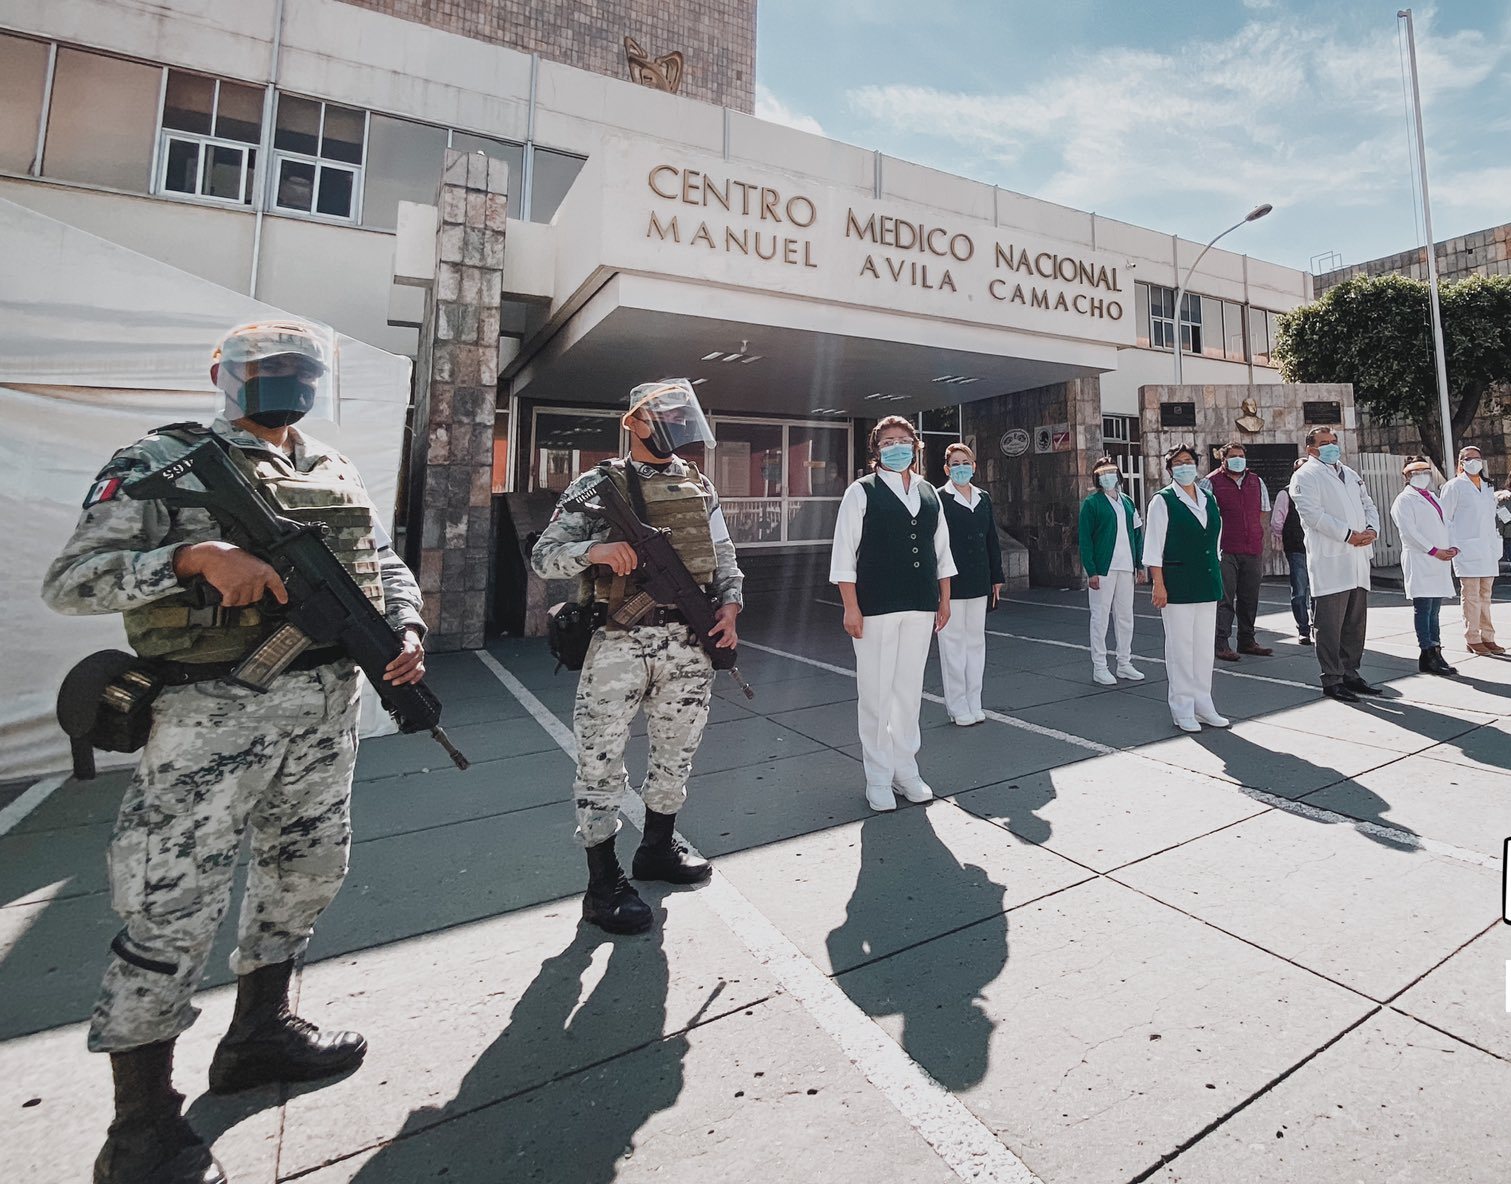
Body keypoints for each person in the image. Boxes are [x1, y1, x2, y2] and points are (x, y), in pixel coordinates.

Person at [41, 320, 429, 1184]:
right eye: (265, 367)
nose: (285, 380)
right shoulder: (158, 461)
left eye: (299, 368)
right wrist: (190, 557)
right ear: (221, 374)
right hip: (209, 716)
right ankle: (139, 1127)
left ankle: (259, 1033)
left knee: (308, 872)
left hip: (325, 711)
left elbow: (380, 559)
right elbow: (72, 580)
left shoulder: (329, 465)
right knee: (173, 905)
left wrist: (404, 623)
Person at [530, 379, 744, 935]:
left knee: (676, 754)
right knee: (600, 761)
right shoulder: (595, 485)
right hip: (619, 643)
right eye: (663, 413)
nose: (675, 423)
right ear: (635, 422)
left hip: (690, 643)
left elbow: (723, 556)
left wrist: (730, 607)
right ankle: (603, 884)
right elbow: (544, 557)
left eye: (681, 412)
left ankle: (656, 849)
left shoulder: (698, 485)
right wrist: (595, 551)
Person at [831, 415, 955, 810]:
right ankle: (878, 777)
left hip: (920, 603)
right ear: (876, 450)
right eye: (888, 441)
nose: (897, 445)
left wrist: (944, 598)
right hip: (876, 605)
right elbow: (844, 553)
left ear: (917, 445)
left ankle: (907, 770)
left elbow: (942, 551)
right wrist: (851, 607)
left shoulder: (929, 493)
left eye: (903, 439)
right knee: (876, 692)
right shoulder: (861, 491)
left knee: (908, 692)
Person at [1289, 426, 1381, 701]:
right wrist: (1348, 535)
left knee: (1355, 623)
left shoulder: (1350, 474)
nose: (1331, 446)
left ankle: (1351, 673)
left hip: (1358, 558)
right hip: (1332, 559)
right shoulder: (1305, 475)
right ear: (1311, 449)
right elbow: (1313, 515)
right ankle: (1332, 678)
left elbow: (1369, 505)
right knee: (1330, 625)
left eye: (1334, 441)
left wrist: (1371, 530)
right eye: (1324, 443)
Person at [1143, 444, 1227, 732]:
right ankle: (1182, 708)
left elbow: (1215, 540)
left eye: (1188, 461)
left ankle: (1204, 703)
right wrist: (1158, 583)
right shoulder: (1163, 501)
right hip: (1177, 584)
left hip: (1206, 581)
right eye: (1178, 463)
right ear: (1170, 470)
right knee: (1181, 649)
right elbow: (1153, 546)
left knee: (1204, 648)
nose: (1184, 466)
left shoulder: (1208, 498)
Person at [936, 443, 1003, 724]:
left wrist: (996, 578)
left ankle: (975, 700)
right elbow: (936, 545)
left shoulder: (983, 498)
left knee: (976, 643)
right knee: (952, 645)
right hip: (951, 584)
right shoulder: (939, 498)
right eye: (955, 463)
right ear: (946, 468)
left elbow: (992, 539)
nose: (961, 467)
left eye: (966, 462)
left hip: (979, 581)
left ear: (974, 466)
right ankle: (957, 706)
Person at [1077, 456, 1146, 685]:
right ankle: (1100, 666)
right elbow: (1085, 540)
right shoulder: (1092, 504)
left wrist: (1139, 564)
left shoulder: (1127, 501)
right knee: (1100, 618)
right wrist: (1092, 570)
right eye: (1102, 473)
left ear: (1118, 475)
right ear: (1097, 477)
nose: (1108, 476)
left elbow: (1136, 533)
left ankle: (1124, 663)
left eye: (1111, 471)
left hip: (1126, 568)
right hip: (1104, 569)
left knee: (1126, 617)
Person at [1389, 456, 1459, 676]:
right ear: (1407, 476)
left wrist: (1452, 546)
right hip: (1422, 559)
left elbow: (1446, 523)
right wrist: (1433, 550)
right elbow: (1409, 532)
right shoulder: (1404, 500)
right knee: (1424, 608)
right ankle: (1427, 652)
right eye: (1417, 473)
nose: (1422, 476)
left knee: (1435, 610)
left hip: (1438, 561)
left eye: (1425, 472)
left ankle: (1436, 650)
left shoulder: (1433, 497)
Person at [1205, 442, 1273, 662]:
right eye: (1233, 456)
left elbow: (1263, 513)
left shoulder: (1256, 481)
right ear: (1222, 459)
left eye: (1241, 456)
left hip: (1252, 548)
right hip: (1224, 549)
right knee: (1224, 599)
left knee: (1249, 597)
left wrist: (1256, 537)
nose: (1238, 459)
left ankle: (1247, 640)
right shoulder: (1210, 482)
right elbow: (1204, 516)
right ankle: (1221, 642)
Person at [1438, 445, 1504, 655]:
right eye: (1468, 458)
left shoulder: (1487, 486)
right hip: (1465, 548)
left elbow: (1494, 515)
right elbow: (1444, 519)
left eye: (1477, 457)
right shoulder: (1454, 486)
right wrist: (1450, 544)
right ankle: (1472, 637)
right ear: (1461, 462)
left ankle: (1488, 636)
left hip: (1488, 548)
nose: (1473, 461)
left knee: (1486, 594)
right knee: (1472, 595)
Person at [1270, 457, 1313, 645]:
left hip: (1319, 549)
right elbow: (1277, 522)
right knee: (1300, 591)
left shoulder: (1319, 491)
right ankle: (1303, 629)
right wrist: (1283, 539)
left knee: (1321, 592)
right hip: (1297, 548)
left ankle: (1319, 628)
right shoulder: (1286, 494)